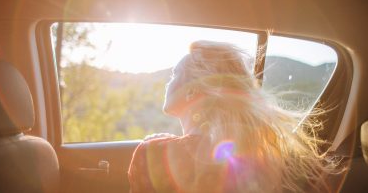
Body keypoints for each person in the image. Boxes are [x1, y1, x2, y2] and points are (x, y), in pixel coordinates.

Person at [128, 40, 340, 193]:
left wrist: (157, 145)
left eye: (174, 74)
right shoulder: (271, 160)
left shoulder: (153, 154)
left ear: (191, 90)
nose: (168, 82)